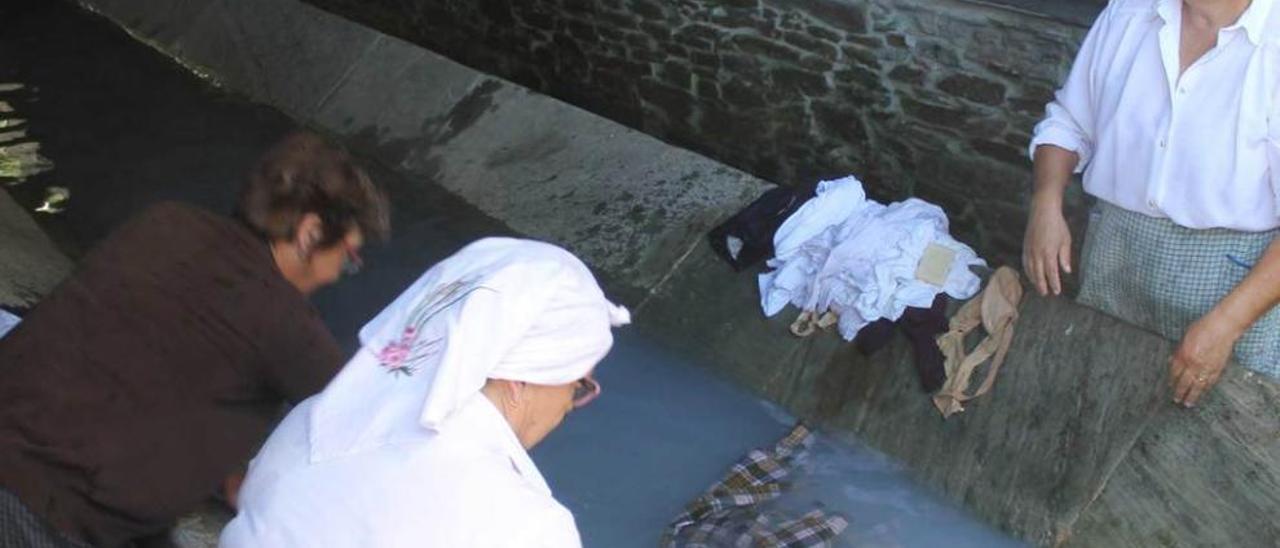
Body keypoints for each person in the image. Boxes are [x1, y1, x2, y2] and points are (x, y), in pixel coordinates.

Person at [0, 131, 389, 547]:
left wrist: (218, 466)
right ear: (310, 233)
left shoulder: (165, 221)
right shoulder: (282, 321)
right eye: (346, 261)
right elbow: (369, 419)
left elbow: (145, 362)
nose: (333, 277)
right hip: (44, 512)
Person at [219, 238, 630, 548]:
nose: (568, 409)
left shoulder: (313, 420)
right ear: (521, 379)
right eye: (577, 386)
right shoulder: (528, 526)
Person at [1024, 0, 1279, 407]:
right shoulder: (1128, 14)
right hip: (1116, 258)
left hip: (1234, 285)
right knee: (1099, 408)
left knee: (1217, 442)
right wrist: (1045, 202)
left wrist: (1226, 325)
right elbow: (1069, 122)